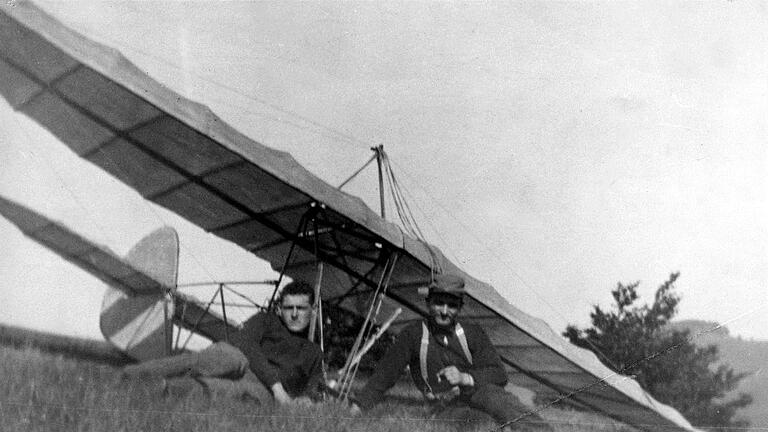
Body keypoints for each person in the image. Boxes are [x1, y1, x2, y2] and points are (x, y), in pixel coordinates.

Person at [352, 274, 551, 431]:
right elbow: (385, 375)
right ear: (428, 303)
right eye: (439, 303)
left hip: (479, 394)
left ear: (460, 308)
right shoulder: (412, 335)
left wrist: (465, 378)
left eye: (452, 305)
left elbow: (499, 374)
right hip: (445, 405)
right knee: (480, 425)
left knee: (497, 398)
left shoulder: (472, 333)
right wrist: (358, 407)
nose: (445, 311)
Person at [122, 280, 324, 405]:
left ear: (313, 310)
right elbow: (245, 344)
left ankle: (163, 389)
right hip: (246, 363)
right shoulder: (265, 320)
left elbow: (312, 390)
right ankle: (132, 374)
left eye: (302, 308)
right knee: (225, 357)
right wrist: (277, 387)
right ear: (280, 309)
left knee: (233, 392)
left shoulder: (314, 353)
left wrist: (305, 399)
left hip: (261, 389)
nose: (295, 314)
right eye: (289, 308)